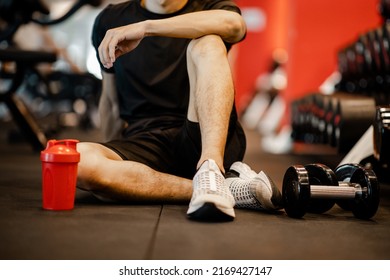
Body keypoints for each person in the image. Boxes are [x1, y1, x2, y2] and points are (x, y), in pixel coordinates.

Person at [77, 0, 283, 222]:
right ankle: (224, 188)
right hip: (145, 141)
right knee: (79, 162)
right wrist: (113, 169)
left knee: (209, 42)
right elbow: (110, 100)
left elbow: (235, 25)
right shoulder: (110, 20)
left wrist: (146, 28)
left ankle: (210, 169)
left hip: (203, 135)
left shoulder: (208, 6)